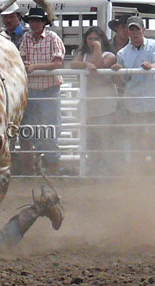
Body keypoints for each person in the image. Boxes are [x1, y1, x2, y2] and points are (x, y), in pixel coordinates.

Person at [19, 7, 65, 175]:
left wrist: (34, 67)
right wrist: (28, 66)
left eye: (37, 21)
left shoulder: (53, 37)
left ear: (44, 22)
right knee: (33, 129)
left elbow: (58, 63)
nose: (34, 24)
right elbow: (22, 58)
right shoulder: (26, 37)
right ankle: (46, 162)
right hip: (32, 90)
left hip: (49, 90)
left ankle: (52, 164)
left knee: (50, 128)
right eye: (32, 21)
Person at [71, 26, 118, 175]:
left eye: (96, 39)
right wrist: (85, 64)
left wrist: (97, 48)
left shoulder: (110, 55)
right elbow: (73, 64)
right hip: (89, 102)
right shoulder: (82, 54)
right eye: (90, 39)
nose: (92, 41)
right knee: (90, 137)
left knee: (104, 136)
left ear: (102, 40)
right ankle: (92, 169)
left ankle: (106, 170)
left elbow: (99, 65)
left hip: (105, 102)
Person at [111, 16, 155, 174]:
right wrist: (117, 71)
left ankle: (148, 173)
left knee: (151, 140)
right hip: (134, 104)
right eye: (132, 29)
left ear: (143, 29)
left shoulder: (153, 45)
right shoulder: (122, 53)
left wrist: (152, 66)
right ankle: (138, 173)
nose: (135, 32)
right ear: (127, 31)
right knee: (137, 139)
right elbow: (121, 82)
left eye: (137, 29)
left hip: (152, 102)